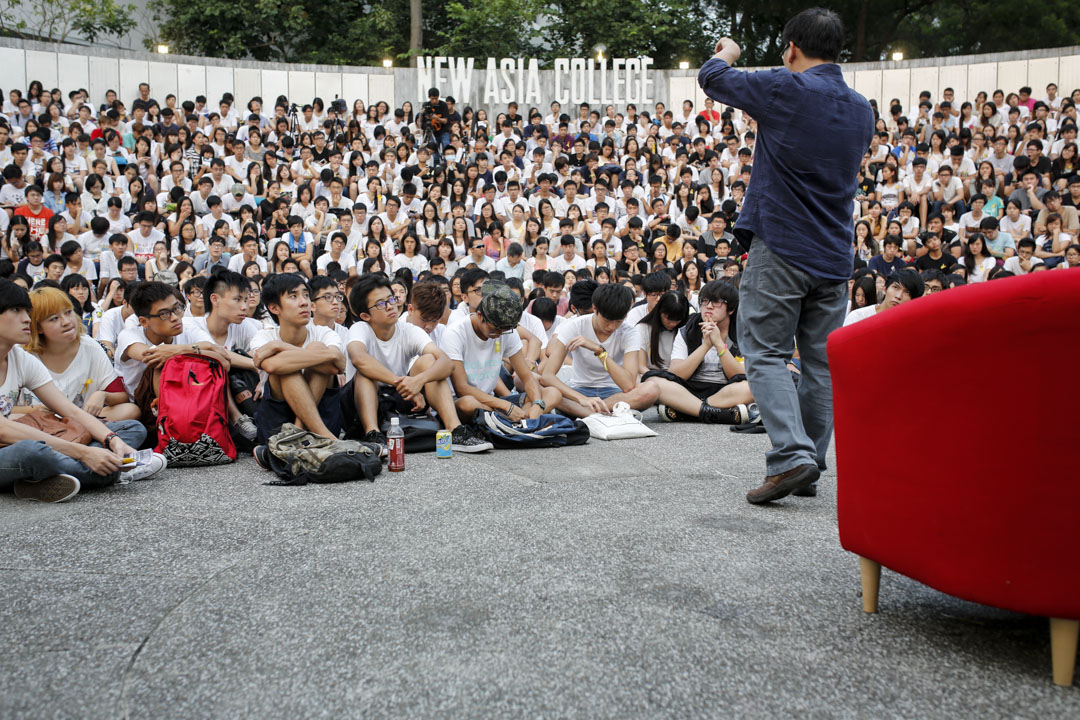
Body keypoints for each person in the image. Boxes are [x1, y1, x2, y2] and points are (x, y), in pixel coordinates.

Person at [698, 8, 874, 504]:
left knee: (766, 354)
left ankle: (791, 455)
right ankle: (810, 465)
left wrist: (728, 51)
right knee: (819, 366)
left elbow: (713, 77)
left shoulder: (786, 86)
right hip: (835, 254)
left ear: (792, 49)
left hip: (783, 248)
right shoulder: (863, 108)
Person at [0, 279, 160, 503]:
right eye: (16, 310)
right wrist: (83, 453)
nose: (26, 318)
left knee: (130, 427)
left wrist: (113, 440)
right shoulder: (27, 352)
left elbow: (70, 411)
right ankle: (114, 471)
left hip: (56, 434)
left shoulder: (20, 358)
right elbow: (3, 429)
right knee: (32, 452)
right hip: (18, 447)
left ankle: (42, 480)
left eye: (27, 311)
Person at [346, 274, 491, 452]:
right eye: (380, 304)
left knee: (430, 361)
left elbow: (446, 362)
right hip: (362, 403)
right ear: (365, 315)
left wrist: (419, 380)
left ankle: (455, 430)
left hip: (396, 398)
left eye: (390, 299)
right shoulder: (360, 329)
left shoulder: (408, 330)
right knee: (365, 373)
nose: (390, 306)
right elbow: (359, 358)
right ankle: (372, 434)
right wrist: (402, 383)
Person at [440, 281, 562, 423]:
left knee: (553, 393)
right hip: (467, 401)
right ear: (480, 315)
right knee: (468, 404)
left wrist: (537, 403)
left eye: (503, 331)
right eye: (494, 330)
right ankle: (515, 421)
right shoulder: (456, 333)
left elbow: (526, 377)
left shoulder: (505, 331)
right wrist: (505, 406)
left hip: (493, 402)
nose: (498, 335)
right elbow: (462, 388)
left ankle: (515, 421)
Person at [249, 273, 346, 443]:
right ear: (274, 308)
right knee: (287, 369)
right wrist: (329, 355)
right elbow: (273, 367)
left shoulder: (322, 332)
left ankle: (298, 432)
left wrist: (281, 346)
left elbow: (337, 366)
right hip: (277, 422)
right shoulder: (264, 337)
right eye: (293, 296)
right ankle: (313, 435)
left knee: (313, 348)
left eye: (306, 295)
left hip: (322, 415)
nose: (304, 302)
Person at [542, 283, 660, 418]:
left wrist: (600, 351)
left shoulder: (630, 333)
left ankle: (585, 412)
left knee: (651, 389)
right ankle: (606, 413)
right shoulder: (574, 326)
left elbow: (627, 385)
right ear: (594, 308)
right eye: (607, 320)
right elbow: (547, 376)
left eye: (618, 321)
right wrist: (582, 399)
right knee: (537, 383)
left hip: (615, 393)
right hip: (579, 390)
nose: (612, 326)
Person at [24, 286, 140, 423]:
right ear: (37, 327)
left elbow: (121, 396)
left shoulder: (90, 347)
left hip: (83, 420)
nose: (66, 322)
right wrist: (32, 410)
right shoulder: (23, 355)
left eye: (68, 312)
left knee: (130, 411)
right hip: (40, 423)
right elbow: (7, 408)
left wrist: (101, 395)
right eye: (54, 319)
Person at [650, 280, 759, 424]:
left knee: (751, 387)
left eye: (716, 302)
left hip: (727, 390)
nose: (708, 306)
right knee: (654, 382)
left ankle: (687, 411)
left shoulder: (743, 333)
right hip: (690, 389)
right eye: (704, 301)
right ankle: (720, 413)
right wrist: (706, 345)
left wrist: (719, 345)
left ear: (731, 309)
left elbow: (739, 376)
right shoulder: (688, 330)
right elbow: (676, 374)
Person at [843, 271, 925, 325]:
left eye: (907, 292)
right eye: (896, 287)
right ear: (885, 289)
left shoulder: (910, 325)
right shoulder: (858, 317)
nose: (898, 296)